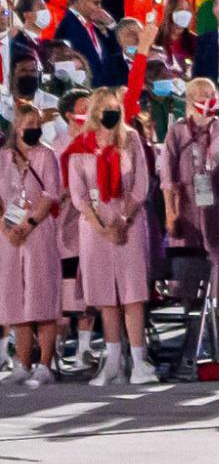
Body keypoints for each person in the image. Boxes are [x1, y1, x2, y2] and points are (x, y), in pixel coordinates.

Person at [69, 87, 156, 386]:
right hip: (96, 228)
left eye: (114, 106)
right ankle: (113, 361)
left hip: (128, 223)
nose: (110, 112)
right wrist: (101, 225)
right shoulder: (81, 145)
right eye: (104, 107)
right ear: (94, 112)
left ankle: (140, 360)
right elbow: (78, 194)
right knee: (106, 297)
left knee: (132, 294)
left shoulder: (130, 139)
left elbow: (141, 185)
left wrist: (122, 219)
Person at [1, 95, 62, 385]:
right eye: (28, 124)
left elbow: (51, 193)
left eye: (37, 124)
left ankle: (44, 365)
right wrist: (6, 226)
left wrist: (28, 224)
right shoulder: (4, 157)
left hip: (38, 231)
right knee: (16, 297)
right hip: (8, 235)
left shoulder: (46, 155)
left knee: (41, 295)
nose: (33, 128)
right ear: (16, 127)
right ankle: (22, 364)